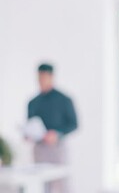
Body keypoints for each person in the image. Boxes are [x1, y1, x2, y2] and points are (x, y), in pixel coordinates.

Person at [27, 63, 78, 193]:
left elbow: (74, 124)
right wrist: (28, 134)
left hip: (57, 148)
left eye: (44, 77)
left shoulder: (64, 99)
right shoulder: (32, 102)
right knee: (42, 185)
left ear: (51, 77)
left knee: (62, 185)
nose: (41, 81)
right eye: (39, 78)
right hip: (39, 149)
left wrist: (57, 134)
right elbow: (29, 124)